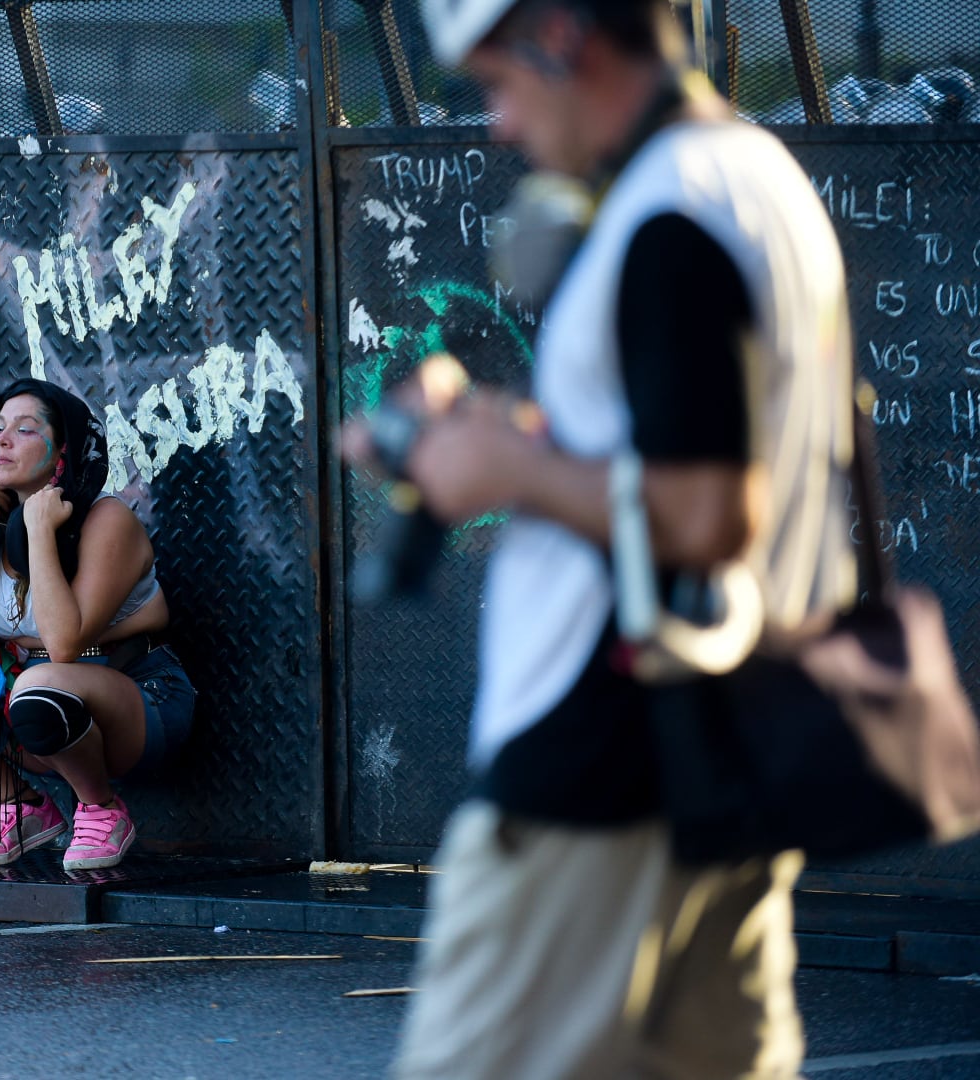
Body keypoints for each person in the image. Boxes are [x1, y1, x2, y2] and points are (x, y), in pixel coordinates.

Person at [347, 0, 857, 1075]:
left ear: (564, 33)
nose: (495, 123)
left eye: (497, 83)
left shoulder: (667, 214)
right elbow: (687, 450)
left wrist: (506, 469)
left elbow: (712, 512)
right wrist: (513, 436)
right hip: (722, 753)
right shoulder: (754, 179)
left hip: (594, 771)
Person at [0, 379, 195, 871]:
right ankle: (21, 806)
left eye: (25, 429)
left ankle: (102, 809)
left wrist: (39, 529)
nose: (1, 439)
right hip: (31, 707)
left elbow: (62, 644)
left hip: (135, 702)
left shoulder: (106, 519)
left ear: (62, 452)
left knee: (39, 683)